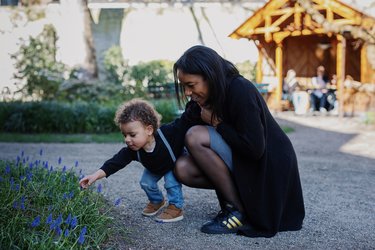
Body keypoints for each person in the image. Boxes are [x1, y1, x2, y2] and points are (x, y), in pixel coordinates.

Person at [172, 45, 305, 237]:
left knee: (195, 136)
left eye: (191, 85)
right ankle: (241, 206)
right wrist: (147, 142)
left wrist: (218, 124)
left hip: (268, 167)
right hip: (246, 162)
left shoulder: (239, 89)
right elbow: (178, 128)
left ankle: (236, 211)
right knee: (183, 168)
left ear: (210, 76)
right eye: (184, 86)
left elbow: (254, 148)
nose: (186, 92)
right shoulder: (206, 98)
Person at [79, 98, 200, 222]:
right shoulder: (133, 150)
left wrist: (196, 102)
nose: (127, 139)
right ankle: (157, 201)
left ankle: (176, 207)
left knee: (171, 183)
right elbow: (114, 163)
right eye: (124, 135)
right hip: (156, 168)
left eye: (132, 135)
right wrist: (95, 175)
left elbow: (185, 121)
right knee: (146, 182)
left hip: (173, 165)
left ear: (149, 130)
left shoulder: (168, 133)